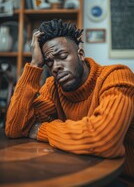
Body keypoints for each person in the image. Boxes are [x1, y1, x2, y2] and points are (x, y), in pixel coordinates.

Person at [5, 19, 134, 186]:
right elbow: (15, 127)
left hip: (122, 178)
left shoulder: (116, 76)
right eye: (49, 62)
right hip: (80, 171)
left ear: (80, 54)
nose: (56, 67)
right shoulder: (53, 87)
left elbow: (104, 139)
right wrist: (35, 65)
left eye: (62, 56)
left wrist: (42, 130)